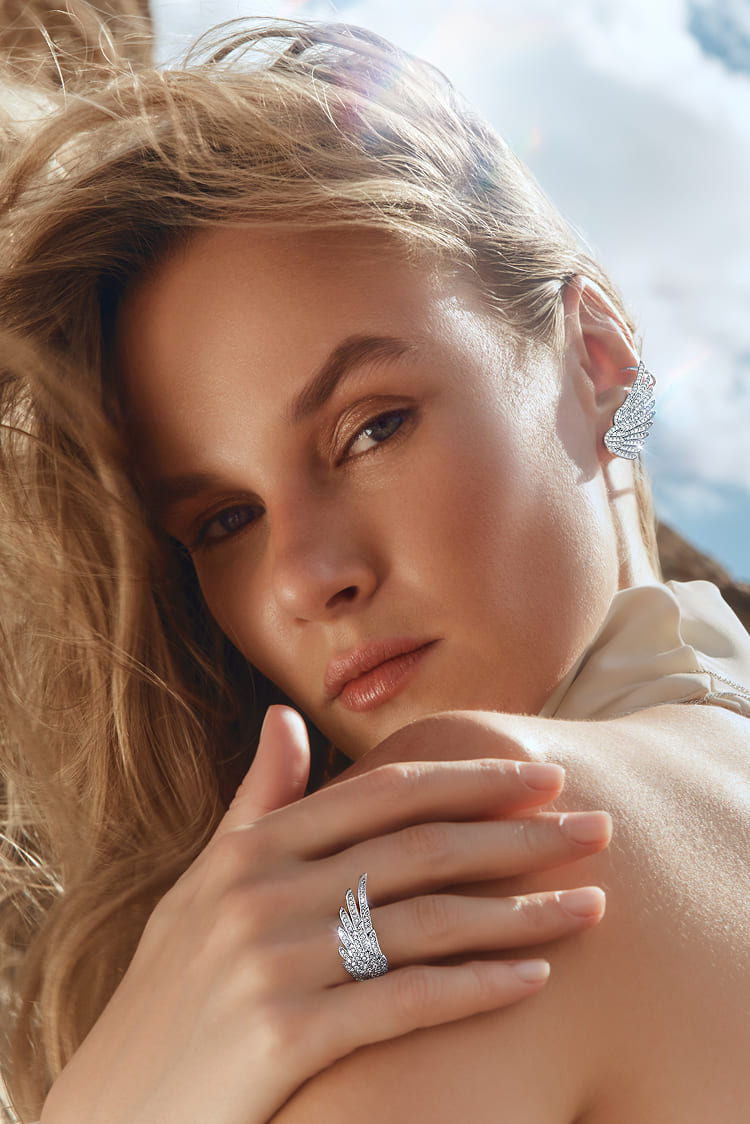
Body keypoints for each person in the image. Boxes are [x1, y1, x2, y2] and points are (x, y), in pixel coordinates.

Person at [0, 15, 748, 1124]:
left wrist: (115, 1092)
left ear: (597, 359)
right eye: (225, 520)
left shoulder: (479, 824)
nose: (304, 578)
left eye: (371, 428)